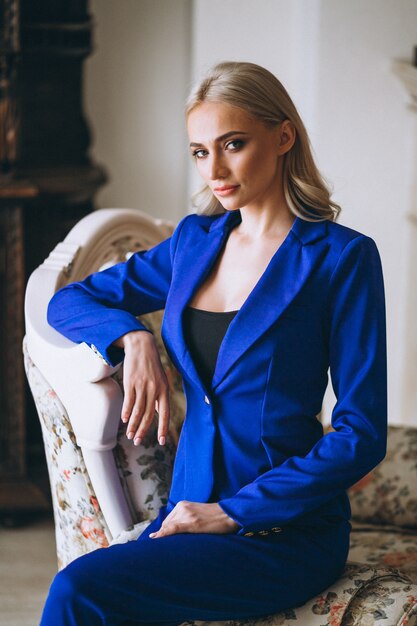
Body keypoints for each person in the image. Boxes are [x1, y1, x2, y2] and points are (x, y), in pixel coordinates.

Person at [40, 61, 387, 626]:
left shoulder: (340, 258)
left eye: (233, 144)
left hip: (284, 528)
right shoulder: (193, 243)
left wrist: (231, 512)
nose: (216, 169)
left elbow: (362, 434)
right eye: (201, 152)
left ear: (283, 136)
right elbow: (67, 301)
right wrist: (133, 337)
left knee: (80, 590)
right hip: (188, 506)